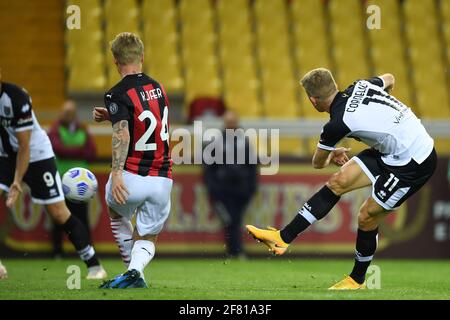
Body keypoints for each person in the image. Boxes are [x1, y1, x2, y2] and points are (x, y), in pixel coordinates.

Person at [247, 68, 436, 290]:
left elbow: (318, 164)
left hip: (414, 162)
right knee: (338, 182)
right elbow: (390, 78)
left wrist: (332, 153)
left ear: (312, 100)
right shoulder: (360, 86)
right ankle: (283, 238)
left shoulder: (337, 124)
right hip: (392, 150)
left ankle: (357, 279)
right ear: (335, 85)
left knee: (366, 216)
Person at [0, 69, 107, 280]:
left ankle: (94, 265)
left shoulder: (17, 98)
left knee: (59, 212)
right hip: (4, 155)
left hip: (36, 155)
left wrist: (16, 181)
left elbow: (24, 146)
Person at [93, 32, 173, 289]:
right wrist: (114, 116)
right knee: (148, 235)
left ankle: (131, 272)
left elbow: (123, 132)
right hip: (162, 178)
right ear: (142, 56)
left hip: (131, 177)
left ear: (115, 61)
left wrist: (116, 173)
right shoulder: (157, 87)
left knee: (117, 213)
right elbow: (150, 119)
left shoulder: (117, 93)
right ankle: (135, 272)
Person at [203, 111, 258, 258]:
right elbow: (208, 168)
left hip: (241, 189)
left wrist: (251, 187)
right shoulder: (216, 143)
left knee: (235, 219)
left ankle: (233, 251)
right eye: (229, 123)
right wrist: (213, 188)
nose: (231, 125)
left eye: (233, 122)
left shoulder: (244, 142)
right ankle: (236, 250)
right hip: (223, 189)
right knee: (231, 219)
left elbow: (252, 166)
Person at [48, 100, 97, 257]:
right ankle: (57, 251)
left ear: (75, 114)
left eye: (70, 112)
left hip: (82, 184)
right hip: (61, 180)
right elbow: (58, 149)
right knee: (59, 217)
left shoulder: (83, 129)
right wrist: (79, 151)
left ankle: (87, 250)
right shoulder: (55, 129)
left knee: (83, 218)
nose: (67, 115)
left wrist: (71, 151)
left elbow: (92, 152)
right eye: (65, 112)